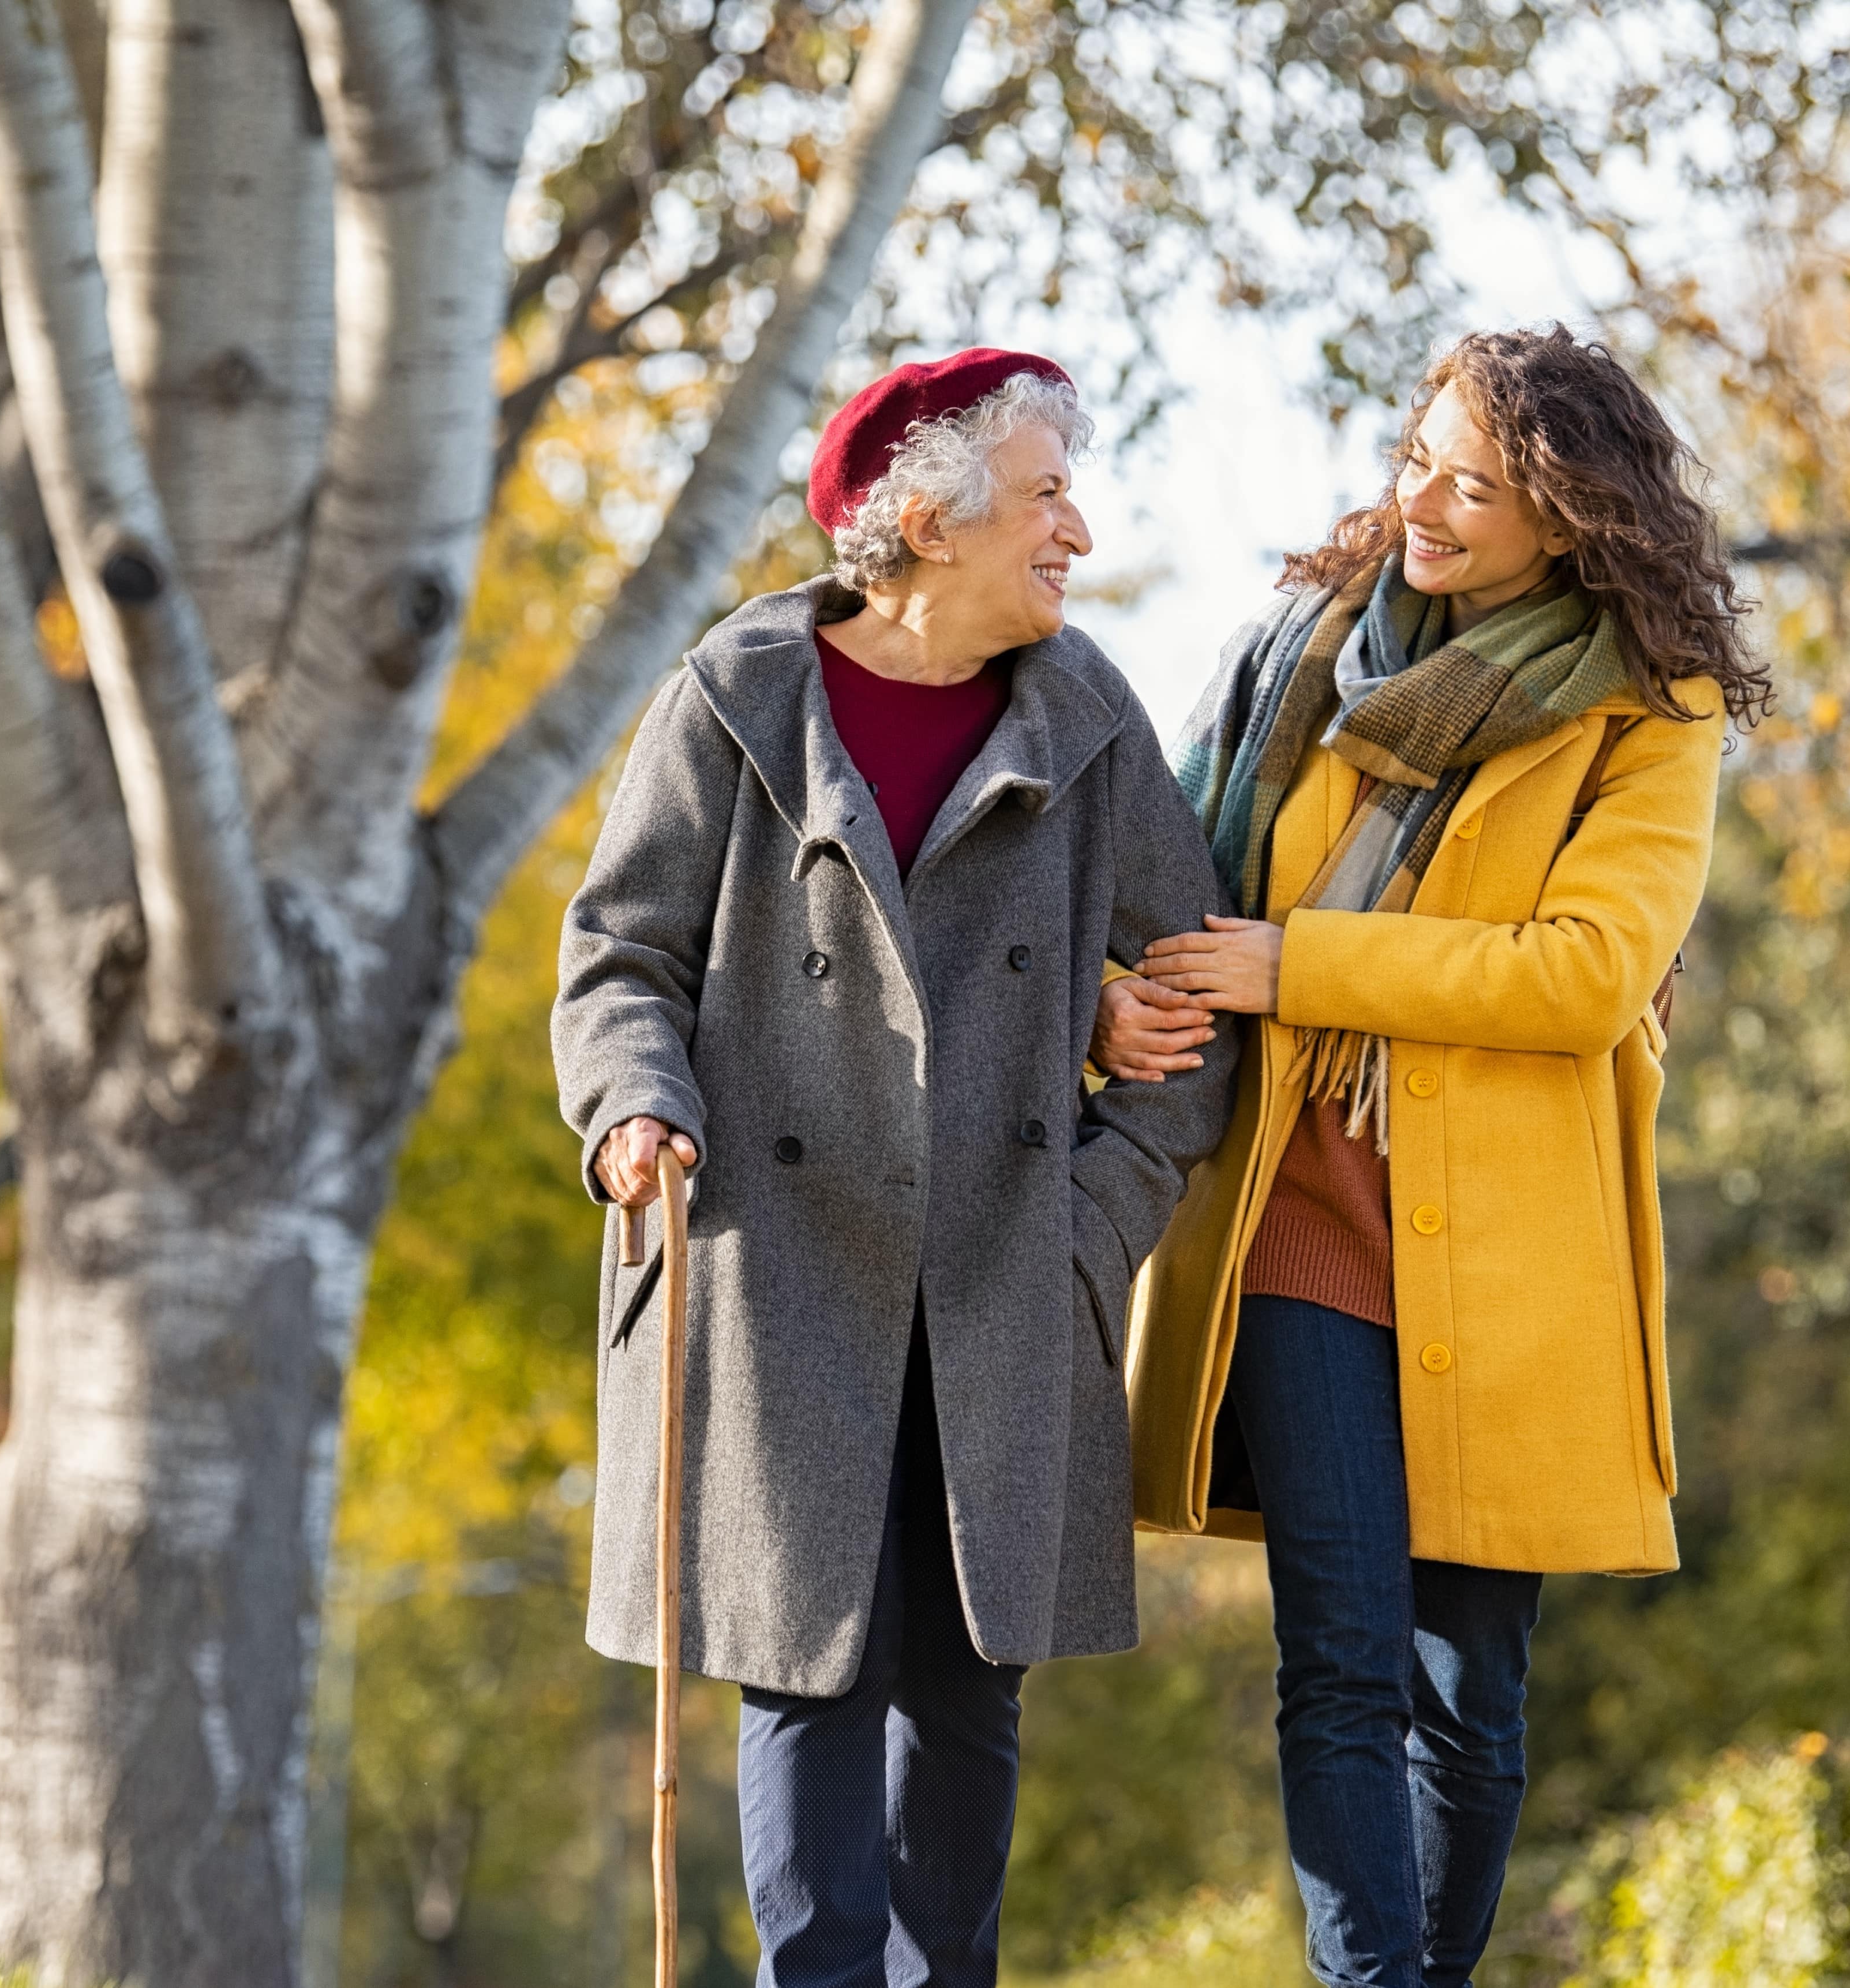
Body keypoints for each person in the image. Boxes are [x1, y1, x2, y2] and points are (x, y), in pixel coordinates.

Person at [553, 349, 1238, 1987]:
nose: (1076, 528)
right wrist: (632, 1106)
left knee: (966, 1687)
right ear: (926, 524)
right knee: (806, 1675)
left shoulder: (1087, 719)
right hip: (772, 1266)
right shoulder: (734, 700)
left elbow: (1200, 988)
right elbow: (618, 959)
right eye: (1045, 496)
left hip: (1004, 1268)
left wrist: (1093, 1220)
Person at [1096, 326, 1769, 1988]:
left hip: (1512, 1252)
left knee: (1470, 1696)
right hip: (1292, 1215)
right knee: (1340, 1660)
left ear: (1569, 516)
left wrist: (1299, 966)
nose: (1424, 504)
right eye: (1415, 460)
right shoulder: (1306, 655)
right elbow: (1166, 873)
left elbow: (1579, 976)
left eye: (1474, 485)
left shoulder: (1647, 716)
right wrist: (1128, 989)